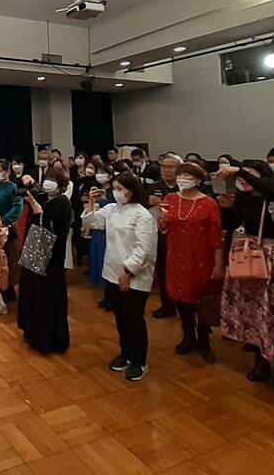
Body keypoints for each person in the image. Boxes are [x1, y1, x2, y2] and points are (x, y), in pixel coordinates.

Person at [216, 160, 274, 393]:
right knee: (252, 311)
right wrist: (226, 209)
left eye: (250, 176)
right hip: (249, 255)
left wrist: (239, 170)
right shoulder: (244, 199)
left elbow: (271, 192)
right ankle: (260, 361)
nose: (244, 180)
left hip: (273, 258)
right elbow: (233, 224)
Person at [82, 171, 157, 382]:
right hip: (113, 272)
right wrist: (91, 202)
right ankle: (126, 353)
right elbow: (92, 222)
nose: (116, 193)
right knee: (120, 317)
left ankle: (139, 361)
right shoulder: (111, 209)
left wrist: (128, 271)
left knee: (133, 318)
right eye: (114, 188)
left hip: (134, 275)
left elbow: (145, 250)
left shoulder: (143, 215)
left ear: (131, 191)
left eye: (120, 189)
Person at [157, 162, 224, 363]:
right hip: (177, 256)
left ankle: (204, 338)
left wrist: (219, 264)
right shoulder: (170, 199)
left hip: (202, 257)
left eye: (188, 176)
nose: (183, 179)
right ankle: (188, 335)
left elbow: (216, 237)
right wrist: (161, 222)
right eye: (180, 175)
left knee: (203, 299)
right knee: (182, 298)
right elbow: (164, 226)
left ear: (198, 180)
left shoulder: (209, 203)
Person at [17, 163, 72, 353]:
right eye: (48, 178)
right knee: (32, 291)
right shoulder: (44, 197)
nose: (49, 183)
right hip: (36, 255)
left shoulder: (62, 203)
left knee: (47, 297)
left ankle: (48, 339)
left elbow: (48, 225)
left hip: (51, 259)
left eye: (54, 180)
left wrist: (34, 206)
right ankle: (32, 331)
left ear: (61, 185)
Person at [149, 153, 181, 319]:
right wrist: (149, 202)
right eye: (163, 166)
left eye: (170, 167)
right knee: (163, 271)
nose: (166, 170)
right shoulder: (154, 186)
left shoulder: (185, 187)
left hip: (181, 235)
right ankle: (167, 305)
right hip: (160, 234)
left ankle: (185, 305)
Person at [0, 159, 23, 301]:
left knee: (10, 259)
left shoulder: (13, 187)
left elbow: (17, 207)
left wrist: (4, 221)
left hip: (7, 229)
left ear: (7, 172)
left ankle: (10, 289)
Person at [85, 163, 114, 309]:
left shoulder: (114, 191)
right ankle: (106, 293)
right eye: (98, 172)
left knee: (108, 261)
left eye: (103, 172)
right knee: (99, 259)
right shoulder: (96, 190)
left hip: (109, 229)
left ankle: (112, 296)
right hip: (98, 228)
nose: (100, 174)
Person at [70, 151, 90, 267]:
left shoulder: (89, 172)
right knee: (77, 229)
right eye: (77, 157)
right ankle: (79, 254)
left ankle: (88, 253)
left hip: (88, 205)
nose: (79, 159)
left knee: (87, 229)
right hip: (76, 205)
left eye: (81, 157)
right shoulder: (72, 172)